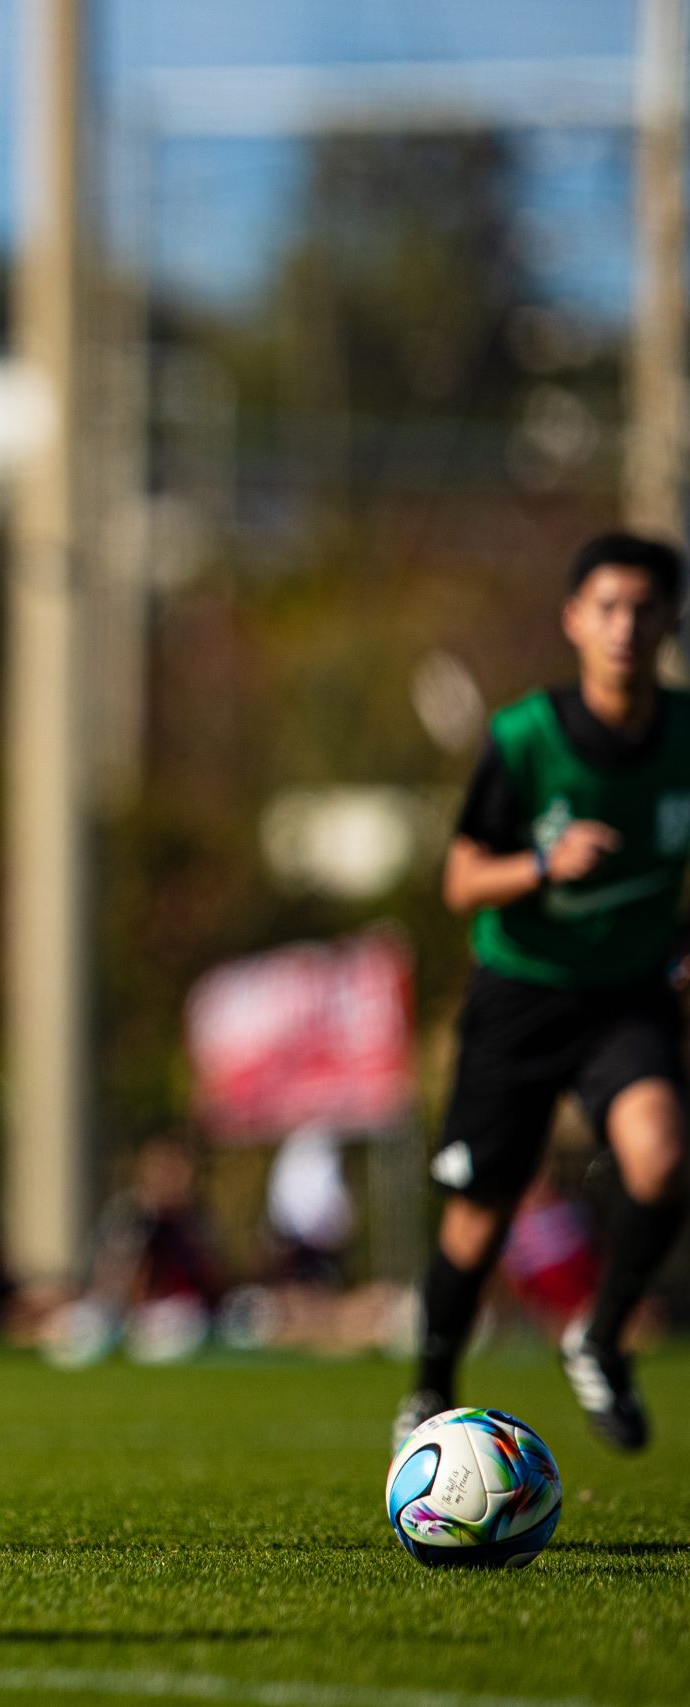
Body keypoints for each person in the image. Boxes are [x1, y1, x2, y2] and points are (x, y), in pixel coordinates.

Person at [396, 532, 690, 1452]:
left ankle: (600, 1338)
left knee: (664, 1160)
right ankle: (429, 1389)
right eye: (607, 607)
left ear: (672, 621)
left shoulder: (686, 734)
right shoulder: (526, 738)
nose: (625, 627)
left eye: (645, 609)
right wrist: (540, 863)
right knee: (477, 1223)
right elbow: (459, 880)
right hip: (520, 997)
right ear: (574, 620)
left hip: (626, 999)